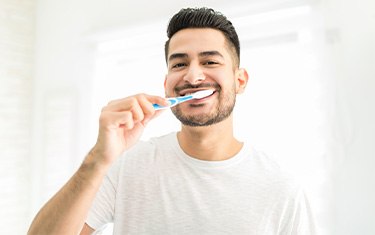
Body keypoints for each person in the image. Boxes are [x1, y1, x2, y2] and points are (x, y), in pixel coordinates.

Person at [28, 7, 316, 235]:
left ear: (239, 80)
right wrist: (98, 160)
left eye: (210, 61)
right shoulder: (127, 166)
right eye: (179, 64)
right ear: (167, 84)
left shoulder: (282, 188)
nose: (192, 76)